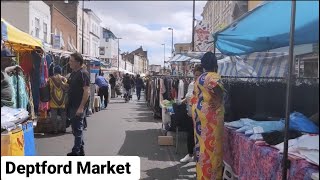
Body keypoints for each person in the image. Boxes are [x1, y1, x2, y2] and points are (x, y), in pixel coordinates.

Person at [191, 52, 224, 179]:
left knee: (202, 147)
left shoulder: (200, 78)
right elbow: (216, 87)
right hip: (211, 116)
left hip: (200, 115)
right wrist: (219, 100)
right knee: (213, 148)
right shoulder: (214, 76)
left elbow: (194, 98)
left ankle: (201, 176)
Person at [61, 52, 90, 156]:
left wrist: (81, 107)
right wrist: (61, 82)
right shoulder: (73, 73)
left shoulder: (83, 73)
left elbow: (87, 91)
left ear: (78, 62)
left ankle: (76, 151)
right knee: (75, 129)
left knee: (77, 129)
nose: (69, 63)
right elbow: (67, 86)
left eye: (71, 61)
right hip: (72, 105)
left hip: (78, 106)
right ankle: (80, 150)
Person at [180, 64, 204, 163]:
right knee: (190, 135)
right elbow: (188, 97)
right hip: (191, 113)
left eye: (199, 75)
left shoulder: (204, 86)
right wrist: (183, 100)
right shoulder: (191, 84)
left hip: (201, 115)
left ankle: (200, 157)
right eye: (195, 75)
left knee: (201, 137)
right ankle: (190, 154)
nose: (196, 77)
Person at [48, 65, 67, 134]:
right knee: (63, 115)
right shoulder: (64, 79)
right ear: (60, 71)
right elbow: (66, 87)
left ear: (54, 71)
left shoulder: (51, 79)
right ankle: (63, 128)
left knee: (54, 116)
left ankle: (55, 130)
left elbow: (49, 87)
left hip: (53, 99)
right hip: (62, 100)